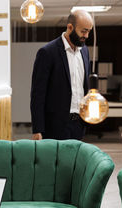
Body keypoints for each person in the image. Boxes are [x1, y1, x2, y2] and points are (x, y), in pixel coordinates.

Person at [30, 10, 93, 140]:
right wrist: (37, 129)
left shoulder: (85, 51)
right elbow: (38, 94)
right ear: (70, 27)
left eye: (89, 31)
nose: (86, 36)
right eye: (83, 31)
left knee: (75, 160)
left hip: (79, 124)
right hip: (55, 126)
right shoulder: (47, 52)